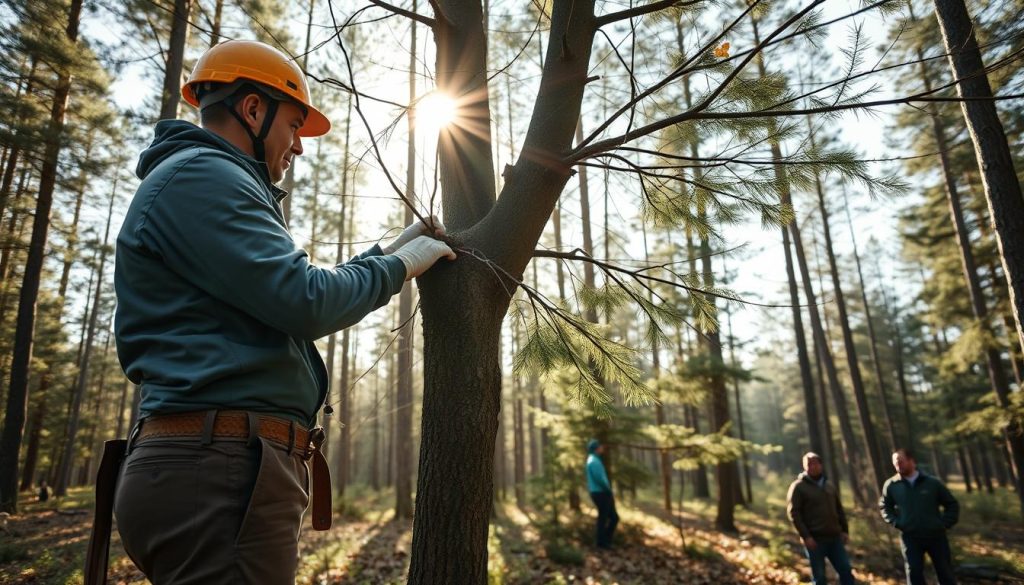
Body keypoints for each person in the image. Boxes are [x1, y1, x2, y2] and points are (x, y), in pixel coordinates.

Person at [110, 40, 455, 584]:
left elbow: (279, 292)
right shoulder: (204, 178)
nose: (297, 147)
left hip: (219, 468)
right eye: (294, 126)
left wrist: (387, 251)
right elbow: (306, 299)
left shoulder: (202, 182)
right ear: (252, 109)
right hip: (220, 472)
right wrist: (400, 268)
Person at [880, 448, 960, 585]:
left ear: (912, 461)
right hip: (910, 537)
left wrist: (944, 524)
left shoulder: (932, 483)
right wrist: (897, 522)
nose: (898, 465)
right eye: (895, 463)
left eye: (901, 461)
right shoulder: (892, 485)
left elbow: (951, 504)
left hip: (936, 536)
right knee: (914, 573)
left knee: (945, 572)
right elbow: (884, 507)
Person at [786, 452, 855, 585]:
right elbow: (794, 513)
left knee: (846, 571)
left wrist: (845, 531)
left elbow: (839, 509)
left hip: (835, 538)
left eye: (815, 463)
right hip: (815, 540)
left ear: (821, 465)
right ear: (805, 467)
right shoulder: (798, 487)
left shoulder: (829, 485)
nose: (813, 466)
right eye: (809, 464)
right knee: (820, 578)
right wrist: (806, 536)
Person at [585, 438, 618, 549]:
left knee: (612, 517)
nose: (602, 448)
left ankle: (604, 541)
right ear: (596, 449)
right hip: (601, 493)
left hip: (600, 492)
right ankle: (602, 543)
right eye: (600, 446)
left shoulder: (594, 460)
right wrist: (608, 489)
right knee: (606, 518)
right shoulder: (593, 461)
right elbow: (600, 479)